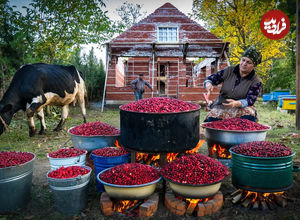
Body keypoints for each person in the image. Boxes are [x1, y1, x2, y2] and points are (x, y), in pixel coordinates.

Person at [203, 46, 262, 122]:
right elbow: (211, 79)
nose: (244, 64)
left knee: (248, 119)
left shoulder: (256, 81)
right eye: (243, 60)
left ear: (254, 66)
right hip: (222, 104)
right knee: (212, 121)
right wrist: (208, 84)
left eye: (248, 62)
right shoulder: (229, 70)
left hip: (241, 107)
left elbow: (250, 100)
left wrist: (236, 103)